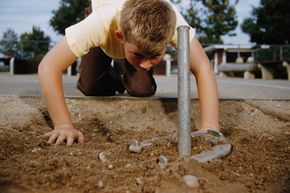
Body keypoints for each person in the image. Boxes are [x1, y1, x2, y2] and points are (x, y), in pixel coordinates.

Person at [38, 0, 219, 146]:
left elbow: (202, 67)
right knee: (91, 87)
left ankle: (127, 69)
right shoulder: (100, 22)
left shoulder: (173, 21)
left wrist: (210, 126)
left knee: (142, 90)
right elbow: (49, 66)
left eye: (155, 56)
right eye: (139, 55)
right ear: (120, 37)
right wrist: (63, 124)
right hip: (103, 29)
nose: (146, 64)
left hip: (136, 37)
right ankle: (113, 73)